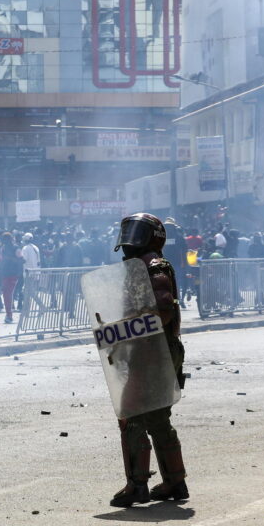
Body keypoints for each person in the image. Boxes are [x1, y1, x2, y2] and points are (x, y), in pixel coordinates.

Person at [109, 213, 189, 507]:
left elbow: (162, 310)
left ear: (153, 236)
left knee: (131, 416)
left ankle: (137, 485)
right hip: (152, 350)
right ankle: (174, 482)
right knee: (157, 418)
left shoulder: (153, 266)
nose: (130, 239)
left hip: (153, 352)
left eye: (137, 233)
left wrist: (128, 331)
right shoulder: (141, 266)